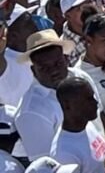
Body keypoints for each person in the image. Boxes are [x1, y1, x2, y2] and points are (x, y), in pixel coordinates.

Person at [14, 30, 100, 159]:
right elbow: (46, 163)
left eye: (58, 63)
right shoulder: (30, 112)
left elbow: (99, 121)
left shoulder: (81, 77)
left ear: (66, 59)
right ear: (33, 70)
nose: (53, 71)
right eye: (44, 68)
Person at [50, 77, 105, 173]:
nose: (95, 102)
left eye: (93, 97)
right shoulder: (64, 153)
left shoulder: (88, 126)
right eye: (88, 99)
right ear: (67, 105)